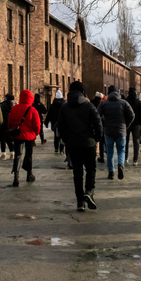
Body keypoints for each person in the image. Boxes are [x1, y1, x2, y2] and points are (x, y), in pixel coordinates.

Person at [57, 81, 103, 211]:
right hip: (89, 143)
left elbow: (61, 126)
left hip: (73, 144)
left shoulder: (65, 108)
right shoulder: (88, 106)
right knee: (91, 169)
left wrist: (67, 139)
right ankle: (89, 191)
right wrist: (97, 137)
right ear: (82, 92)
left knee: (77, 173)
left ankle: (79, 202)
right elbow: (97, 122)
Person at [97, 85, 134, 180]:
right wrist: (126, 125)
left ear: (108, 93)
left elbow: (97, 115)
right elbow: (132, 115)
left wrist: (102, 124)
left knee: (109, 151)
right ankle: (120, 165)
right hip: (121, 130)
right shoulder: (124, 103)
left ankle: (111, 171)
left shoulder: (104, 103)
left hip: (108, 130)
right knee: (121, 150)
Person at [7, 89, 42, 186]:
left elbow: (9, 122)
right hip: (29, 136)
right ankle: (29, 174)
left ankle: (16, 176)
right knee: (28, 155)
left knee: (17, 155)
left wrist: (10, 133)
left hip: (17, 135)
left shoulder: (14, 108)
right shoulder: (32, 110)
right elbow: (37, 125)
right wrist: (35, 133)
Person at [126, 87, 141, 165]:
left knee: (126, 141)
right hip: (137, 124)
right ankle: (135, 159)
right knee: (136, 141)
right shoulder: (139, 102)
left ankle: (125, 157)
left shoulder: (126, 102)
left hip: (127, 123)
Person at [45, 89, 66, 154]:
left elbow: (49, 114)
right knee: (62, 135)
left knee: (56, 136)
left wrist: (46, 122)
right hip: (63, 123)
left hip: (54, 123)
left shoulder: (52, 106)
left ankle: (56, 148)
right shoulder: (65, 105)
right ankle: (62, 149)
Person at [0, 93, 15, 160]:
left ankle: (3, 154)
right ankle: (12, 153)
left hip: (3, 124)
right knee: (9, 139)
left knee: (2, 139)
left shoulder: (2, 105)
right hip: (11, 124)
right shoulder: (15, 105)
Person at [91, 91, 105, 163]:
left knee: (95, 139)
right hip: (102, 123)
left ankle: (97, 152)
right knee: (102, 141)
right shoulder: (102, 103)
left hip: (92, 122)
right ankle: (102, 155)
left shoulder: (91, 102)